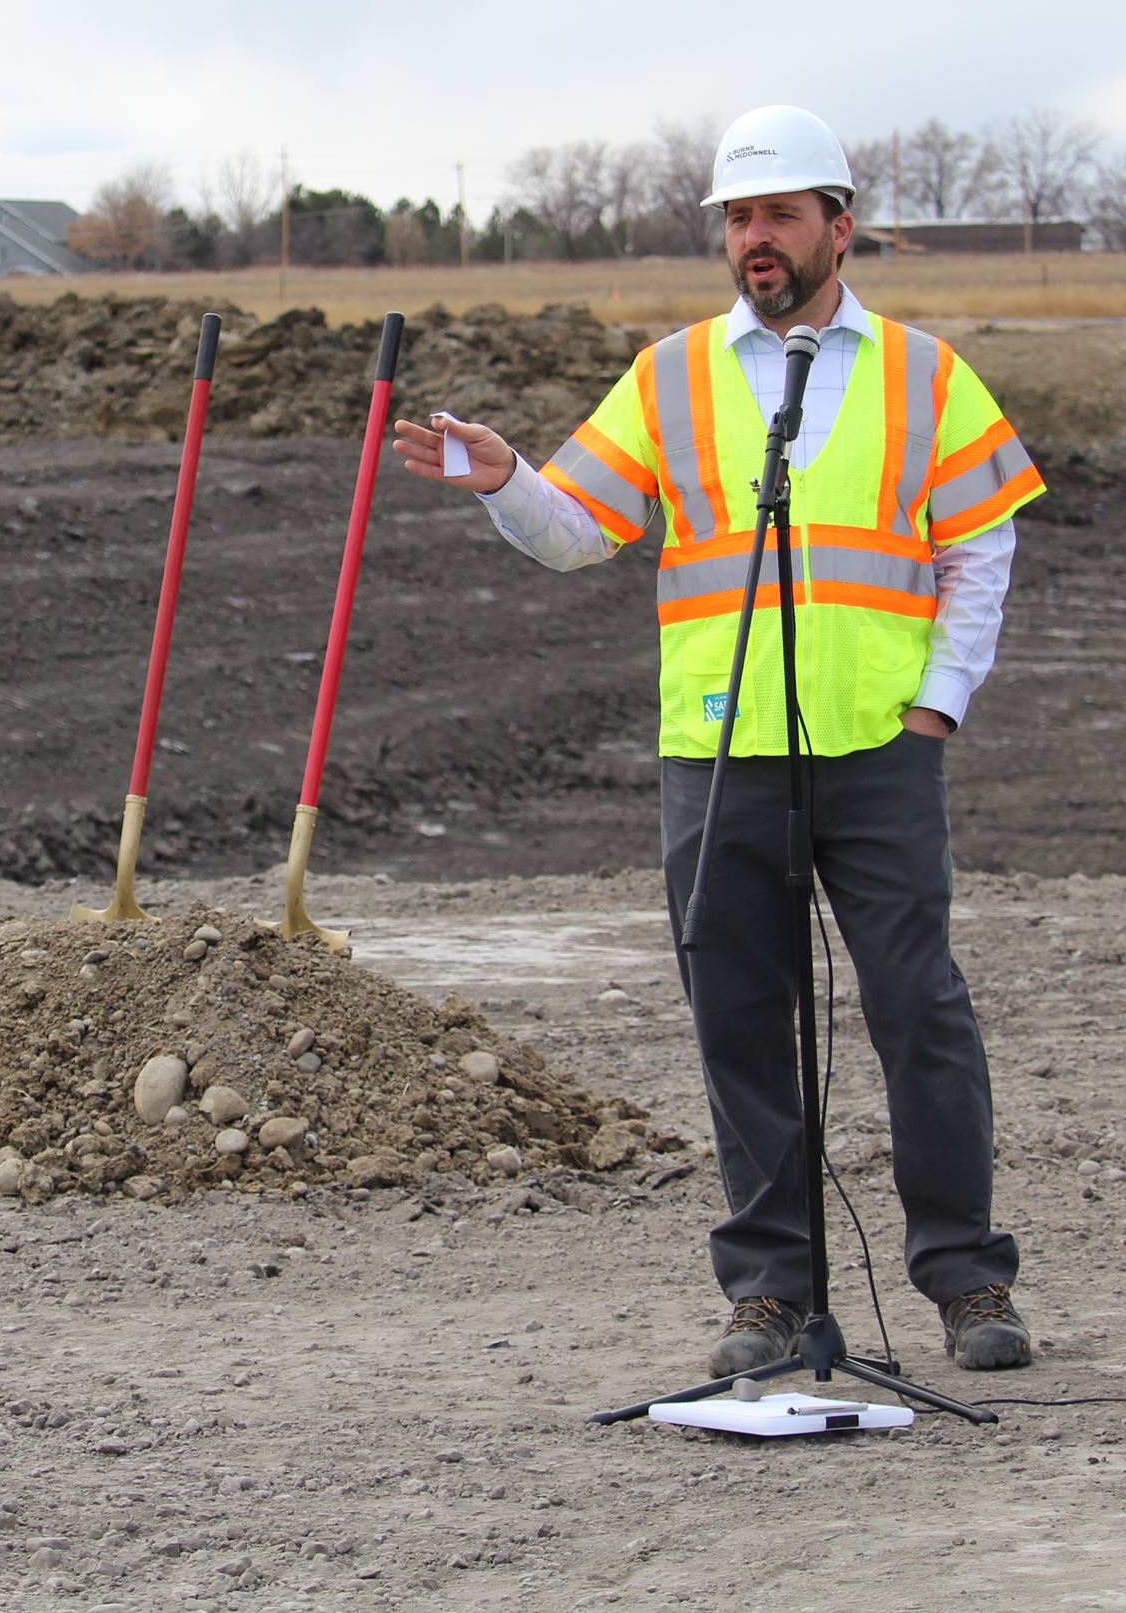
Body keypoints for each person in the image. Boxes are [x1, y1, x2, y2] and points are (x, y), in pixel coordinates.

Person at [393, 104, 1041, 1376]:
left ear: (835, 228)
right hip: (718, 749)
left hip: (874, 750)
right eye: (738, 218)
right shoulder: (671, 374)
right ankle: (770, 1292)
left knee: (919, 1009)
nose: (754, 238)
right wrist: (503, 479)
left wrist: (936, 703)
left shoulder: (922, 371)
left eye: (778, 215)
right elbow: (578, 527)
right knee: (738, 1019)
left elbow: (979, 546)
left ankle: (966, 1279)